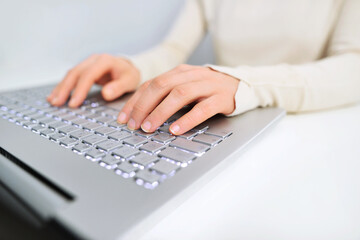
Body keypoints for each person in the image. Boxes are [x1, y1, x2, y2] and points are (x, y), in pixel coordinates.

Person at [47, 0, 360, 135]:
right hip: (224, 125)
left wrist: (245, 83)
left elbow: (353, 66)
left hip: (309, 129)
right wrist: (134, 67)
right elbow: (173, 49)